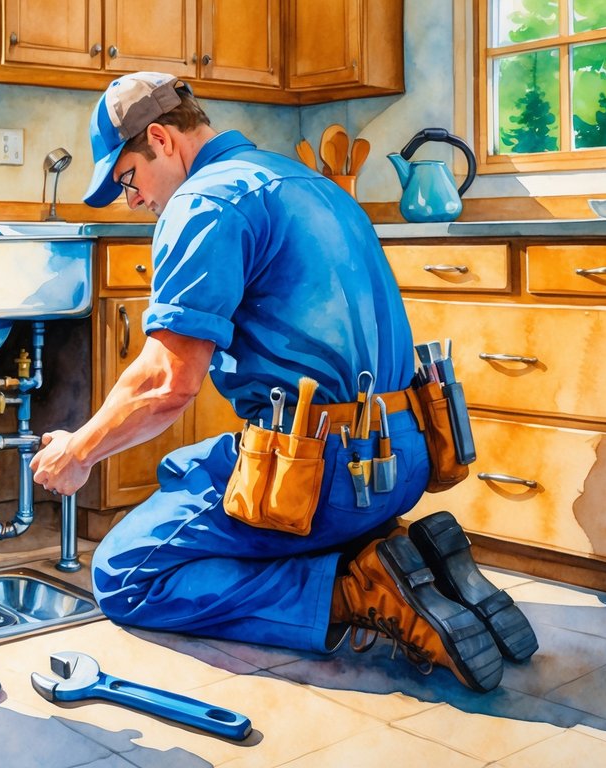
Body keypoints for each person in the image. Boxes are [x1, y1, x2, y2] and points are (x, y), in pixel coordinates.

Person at [29, 72, 536, 692]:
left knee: (126, 574)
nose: (132, 201)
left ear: (160, 139)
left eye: (128, 179)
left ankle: (354, 589)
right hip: (406, 463)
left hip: (319, 478)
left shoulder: (205, 202)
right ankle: (412, 562)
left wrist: (79, 452)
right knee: (187, 470)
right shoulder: (314, 185)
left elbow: (168, 384)